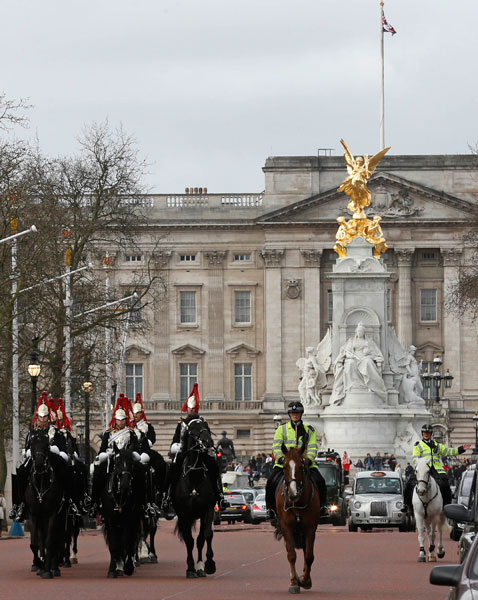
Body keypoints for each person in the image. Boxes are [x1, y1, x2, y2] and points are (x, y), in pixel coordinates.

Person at [162, 385, 227, 512]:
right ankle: (167, 497)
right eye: (190, 409)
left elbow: (208, 438)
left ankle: (220, 497)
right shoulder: (181, 424)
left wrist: (209, 447)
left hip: (201, 453)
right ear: (187, 410)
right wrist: (176, 446)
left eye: (193, 409)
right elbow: (176, 439)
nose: (191, 411)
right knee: (172, 471)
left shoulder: (202, 422)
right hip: (185, 453)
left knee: (214, 469)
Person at [265, 401, 327, 523]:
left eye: (297, 413)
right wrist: (281, 459)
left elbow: (313, 447)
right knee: (271, 482)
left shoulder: (309, 430)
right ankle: (271, 509)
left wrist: (308, 459)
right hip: (285, 464)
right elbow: (276, 447)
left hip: (304, 464)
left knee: (321, 481)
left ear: (301, 414)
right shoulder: (281, 429)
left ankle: (322, 507)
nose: (295, 415)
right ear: (289, 414)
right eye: (293, 413)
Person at [10, 396, 65, 522]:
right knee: (21, 471)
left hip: (51, 457)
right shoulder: (32, 432)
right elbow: (28, 446)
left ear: (48, 417)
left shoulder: (55, 432)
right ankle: (19, 504)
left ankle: (68, 499)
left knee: (63, 471)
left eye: (45, 417)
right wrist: (29, 452)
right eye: (40, 417)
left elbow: (60, 448)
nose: (42, 419)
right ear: (37, 417)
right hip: (36, 457)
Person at [404, 424, 471, 513]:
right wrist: (421, 467)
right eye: (425, 432)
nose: (426, 434)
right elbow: (415, 458)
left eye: (428, 433)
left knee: (445, 485)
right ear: (422, 433)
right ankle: (407, 506)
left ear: (431, 434)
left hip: (436, 470)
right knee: (409, 484)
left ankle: (446, 506)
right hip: (423, 470)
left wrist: (461, 448)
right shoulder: (418, 445)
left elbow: (448, 451)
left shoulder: (437, 444)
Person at [330, 323, 387, 406]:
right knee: (350, 363)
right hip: (354, 358)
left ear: (364, 332)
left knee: (368, 362)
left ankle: (371, 385)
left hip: (365, 358)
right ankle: (351, 387)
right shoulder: (352, 341)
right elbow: (346, 351)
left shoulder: (368, 342)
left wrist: (369, 355)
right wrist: (349, 356)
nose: (359, 333)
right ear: (356, 332)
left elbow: (375, 352)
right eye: (358, 331)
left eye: (361, 331)